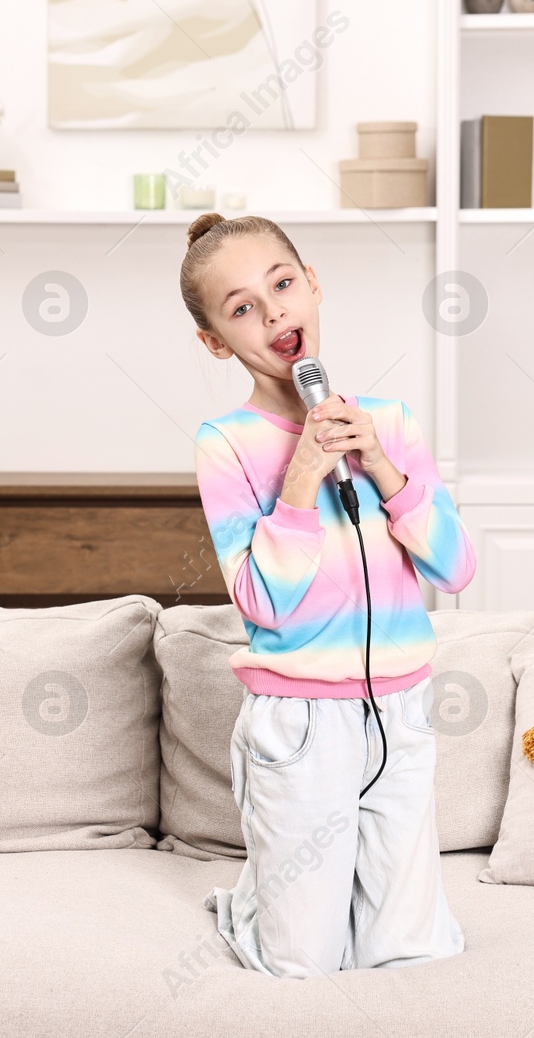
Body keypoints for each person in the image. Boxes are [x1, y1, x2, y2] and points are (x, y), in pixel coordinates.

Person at [180, 212, 476, 978]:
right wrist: (303, 476)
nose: (274, 311)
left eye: (282, 285)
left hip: (402, 714)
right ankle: (255, 903)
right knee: (303, 963)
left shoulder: (392, 425)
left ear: (312, 286)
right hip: (303, 725)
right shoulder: (227, 444)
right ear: (215, 341)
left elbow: (454, 568)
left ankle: (355, 903)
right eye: (242, 306)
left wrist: (379, 463)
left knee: (407, 952)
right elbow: (265, 605)